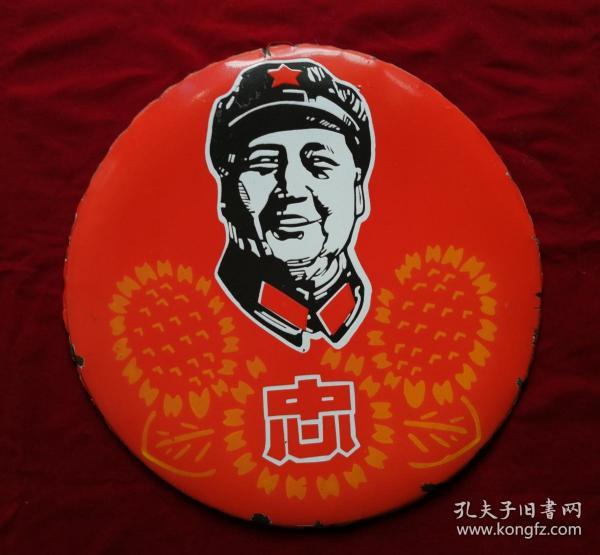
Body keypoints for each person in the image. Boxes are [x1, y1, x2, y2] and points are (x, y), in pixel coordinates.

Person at [206, 59, 375, 351]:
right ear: (225, 193)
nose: (292, 189)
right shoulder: (189, 321)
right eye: (264, 163)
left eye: (320, 162)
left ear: (358, 191)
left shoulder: (407, 315)